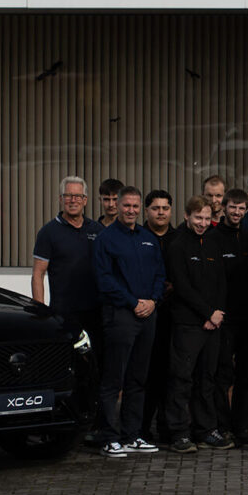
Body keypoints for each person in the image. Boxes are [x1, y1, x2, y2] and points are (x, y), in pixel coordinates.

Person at [94, 185, 166, 458]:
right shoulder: (106, 239)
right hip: (121, 314)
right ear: (117, 206)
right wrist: (132, 302)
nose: (131, 210)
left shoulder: (148, 238)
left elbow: (161, 274)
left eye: (136, 206)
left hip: (148, 313)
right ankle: (109, 437)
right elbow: (104, 280)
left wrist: (153, 301)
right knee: (114, 379)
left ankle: (131, 434)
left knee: (138, 378)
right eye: (127, 206)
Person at [164, 196, 227, 453]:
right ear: (187, 217)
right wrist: (207, 313)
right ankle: (178, 432)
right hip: (188, 324)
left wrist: (218, 313)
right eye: (197, 218)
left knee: (207, 379)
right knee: (182, 379)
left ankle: (205, 429)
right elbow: (182, 286)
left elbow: (222, 281)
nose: (202, 223)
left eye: (206, 218)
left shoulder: (213, 243)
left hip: (213, 324)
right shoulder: (177, 245)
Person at [32, 176, 105, 354]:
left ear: (85, 200)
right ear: (60, 199)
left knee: (96, 359)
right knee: (66, 359)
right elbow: (38, 274)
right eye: (68, 195)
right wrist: (40, 311)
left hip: (95, 310)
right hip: (63, 312)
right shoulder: (48, 232)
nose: (73, 200)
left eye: (78, 196)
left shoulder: (97, 230)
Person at [213, 188, 248, 446]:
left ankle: (242, 426)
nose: (237, 212)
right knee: (222, 375)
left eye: (241, 208)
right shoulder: (214, 237)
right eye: (233, 207)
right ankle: (222, 425)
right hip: (223, 318)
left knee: (247, 375)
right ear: (224, 207)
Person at [140, 189, 177, 445]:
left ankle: (167, 427)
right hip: (146, 314)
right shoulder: (138, 236)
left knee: (171, 375)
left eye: (165, 208)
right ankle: (141, 428)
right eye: (156, 208)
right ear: (147, 211)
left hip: (175, 316)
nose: (161, 212)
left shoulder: (179, 237)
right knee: (146, 376)